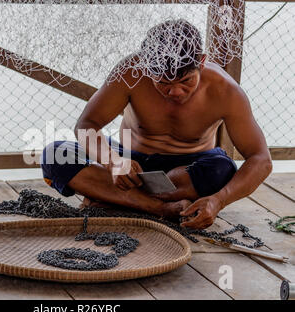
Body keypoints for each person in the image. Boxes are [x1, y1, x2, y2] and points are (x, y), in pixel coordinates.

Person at [41, 19, 272, 229]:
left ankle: (111, 197)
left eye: (186, 81)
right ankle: (160, 209)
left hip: (187, 172)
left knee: (222, 170)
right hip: (130, 164)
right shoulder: (130, 72)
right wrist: (113, 161)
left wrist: (218, 200)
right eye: (162, 82)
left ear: (201, 62)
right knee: (55, 155)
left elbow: (261, 159)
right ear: (145, 66)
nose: (175, 92)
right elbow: (86, 124)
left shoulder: (226, 90)